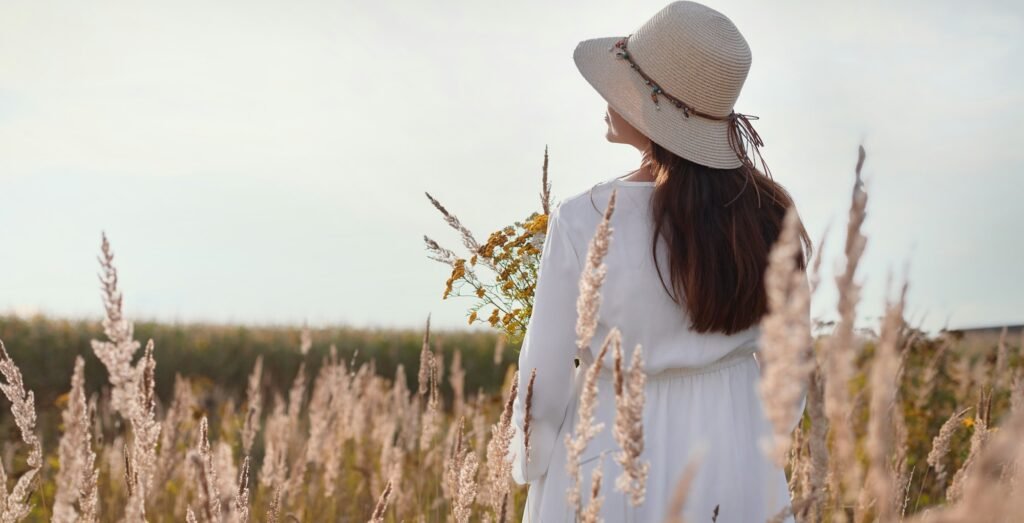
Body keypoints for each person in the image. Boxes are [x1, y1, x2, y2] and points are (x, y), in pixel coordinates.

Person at [508, 2, 814, 522]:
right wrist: (757, 445)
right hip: (732, 447)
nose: (607, 96)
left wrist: (529, 464)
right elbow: (792, 367)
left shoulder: (583, 220)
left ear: (654, 108)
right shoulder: (768, 213)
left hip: (606, 448)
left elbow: (547, 372)